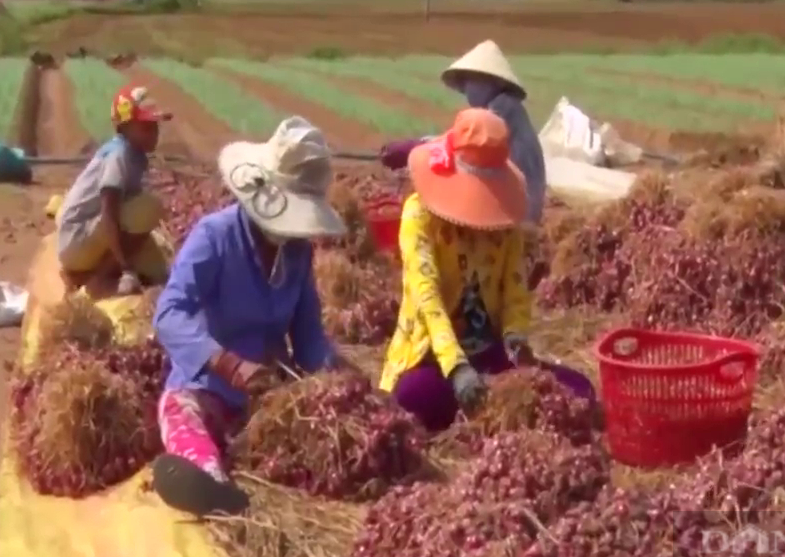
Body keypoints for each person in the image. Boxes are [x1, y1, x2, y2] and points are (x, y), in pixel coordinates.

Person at [151, 117, 354, 516]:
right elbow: (170, 313)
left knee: (324, 441)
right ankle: (209, 482)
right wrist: (230, 365)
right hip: (208, 387)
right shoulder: (215, 237)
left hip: (270, 398)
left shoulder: (298, 253)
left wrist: (333, 380)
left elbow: (309, 336)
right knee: (181, 412)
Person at [380, 107, 595, 431]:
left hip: (490, 357)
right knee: (410, 398)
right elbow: (428, 300)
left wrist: (515, 338)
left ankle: (486, 404)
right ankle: (476, 402)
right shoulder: (419, 217)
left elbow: (514, 287)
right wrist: (456, 369)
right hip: (433, 359)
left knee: (579, 391)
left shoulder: (503, 222)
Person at [379, 40, 546, 225]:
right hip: (516, 200)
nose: (467, 89)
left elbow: (461, 143)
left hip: (519, 210)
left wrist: (414, 148)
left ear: (492, 82)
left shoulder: (501, 109)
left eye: (471, 81)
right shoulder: (504, 107)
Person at [55, 85, 169, 296]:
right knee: (149, 207)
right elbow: (109, 213)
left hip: (85, 236)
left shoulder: (135, 155)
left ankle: (111, 267)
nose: (154, 134)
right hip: (76, 241)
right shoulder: (120, 155)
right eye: (145, 127)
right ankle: (100, 278)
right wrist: (125, 268)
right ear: (124, 128)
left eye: (155, 127)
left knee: (159, 271)